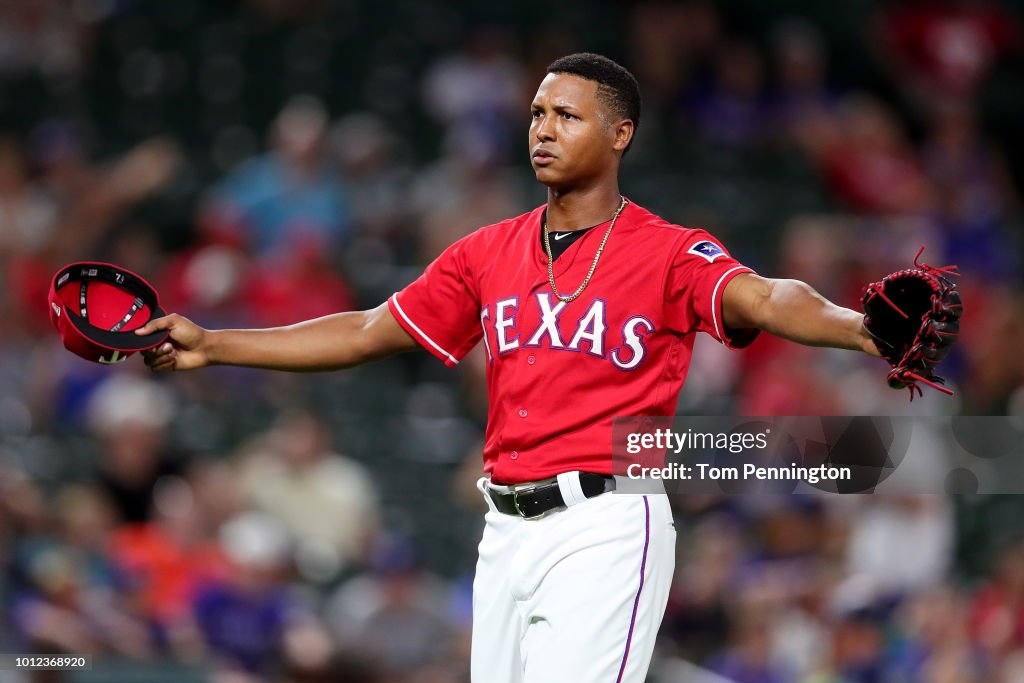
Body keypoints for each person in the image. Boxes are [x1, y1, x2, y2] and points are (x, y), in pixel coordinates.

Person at [136, 53, 881, 683]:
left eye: (567, 115)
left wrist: (858, 327)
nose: (544, 129)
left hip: (605, 518)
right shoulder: (486, 251)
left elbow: (767, 296)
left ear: (620, 134)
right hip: (505, 529)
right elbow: (367, 331)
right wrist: (216, 343)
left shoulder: (668, 250)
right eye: (536, 114)